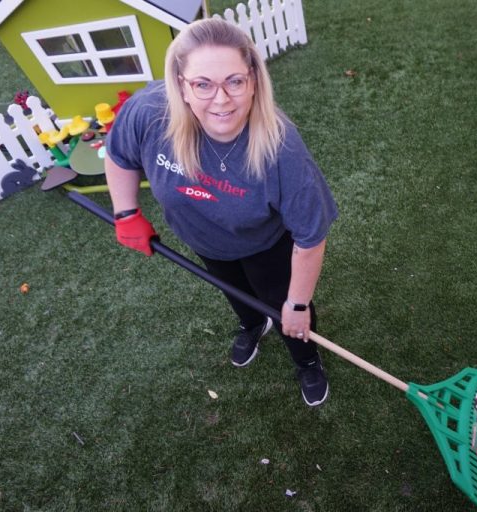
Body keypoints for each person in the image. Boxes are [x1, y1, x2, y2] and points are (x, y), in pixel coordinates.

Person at [104, 18, 339, 407]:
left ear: (253, 80)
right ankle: (252, 323)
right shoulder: (148, 112)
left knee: (282, 306)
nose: (221, 100)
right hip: (204, 240)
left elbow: (311, 237)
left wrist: (297, 307)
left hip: (265, 244)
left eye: (234, 81)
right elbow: (118, 155)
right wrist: (126, 212)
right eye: (203, 84)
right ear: (181, 84)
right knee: (234, 290)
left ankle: (307, 359)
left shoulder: (282, 148)